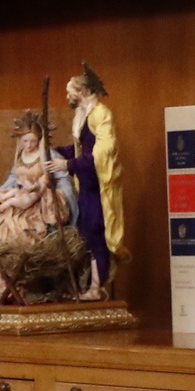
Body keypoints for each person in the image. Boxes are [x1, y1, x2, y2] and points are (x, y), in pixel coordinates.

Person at [0, 112, 76, 304]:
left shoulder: (48, 155)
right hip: (22, 199)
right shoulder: (21, 156)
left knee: (17, 233)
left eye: (33, 141)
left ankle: (17, 287)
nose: (29, 145)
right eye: (25, 141)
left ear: (39, 139)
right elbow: (12, 180)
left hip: (38, 206)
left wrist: (55, 198)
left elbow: (62, 181)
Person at [57, 68, 123, 300]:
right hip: (84, 183)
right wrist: (56, 153)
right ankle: (90, 283)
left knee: (96, 231)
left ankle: (97, 286)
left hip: (97, 184)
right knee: (85, 231)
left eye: (70, 92)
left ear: (82, 91)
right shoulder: (83, 115)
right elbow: (80, 149)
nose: (67, 97)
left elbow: (100, 154)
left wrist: (69, 166)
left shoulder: (100, 115)